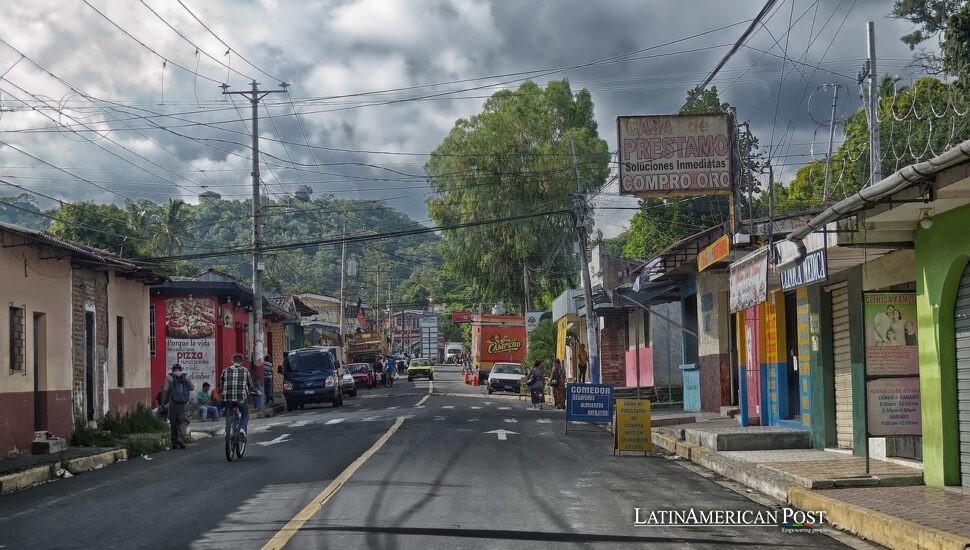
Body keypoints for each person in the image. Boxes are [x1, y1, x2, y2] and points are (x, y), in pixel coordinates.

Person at [220, 353, 260, 441]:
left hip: (228, 397)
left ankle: (228, 431)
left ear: (232, 361)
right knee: (245, 414)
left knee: (229, 413)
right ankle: (242, 429)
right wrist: (257, 391)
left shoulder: (225, 370)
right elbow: (251, 384)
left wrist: (223, 392)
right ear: (241, 362)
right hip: (241, 397)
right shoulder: (245, 370)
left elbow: (221, 383)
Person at [161, 363, 194, 449]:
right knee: (184, 421)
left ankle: (174, 443)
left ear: (173, 369)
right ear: (180, 369)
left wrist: (163, 403)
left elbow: (165, 390)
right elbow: (192, 388)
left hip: (173, 403)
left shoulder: (169, 377)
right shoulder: (186, 376)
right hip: (184, 404)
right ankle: (180, 437)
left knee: (174, 422)